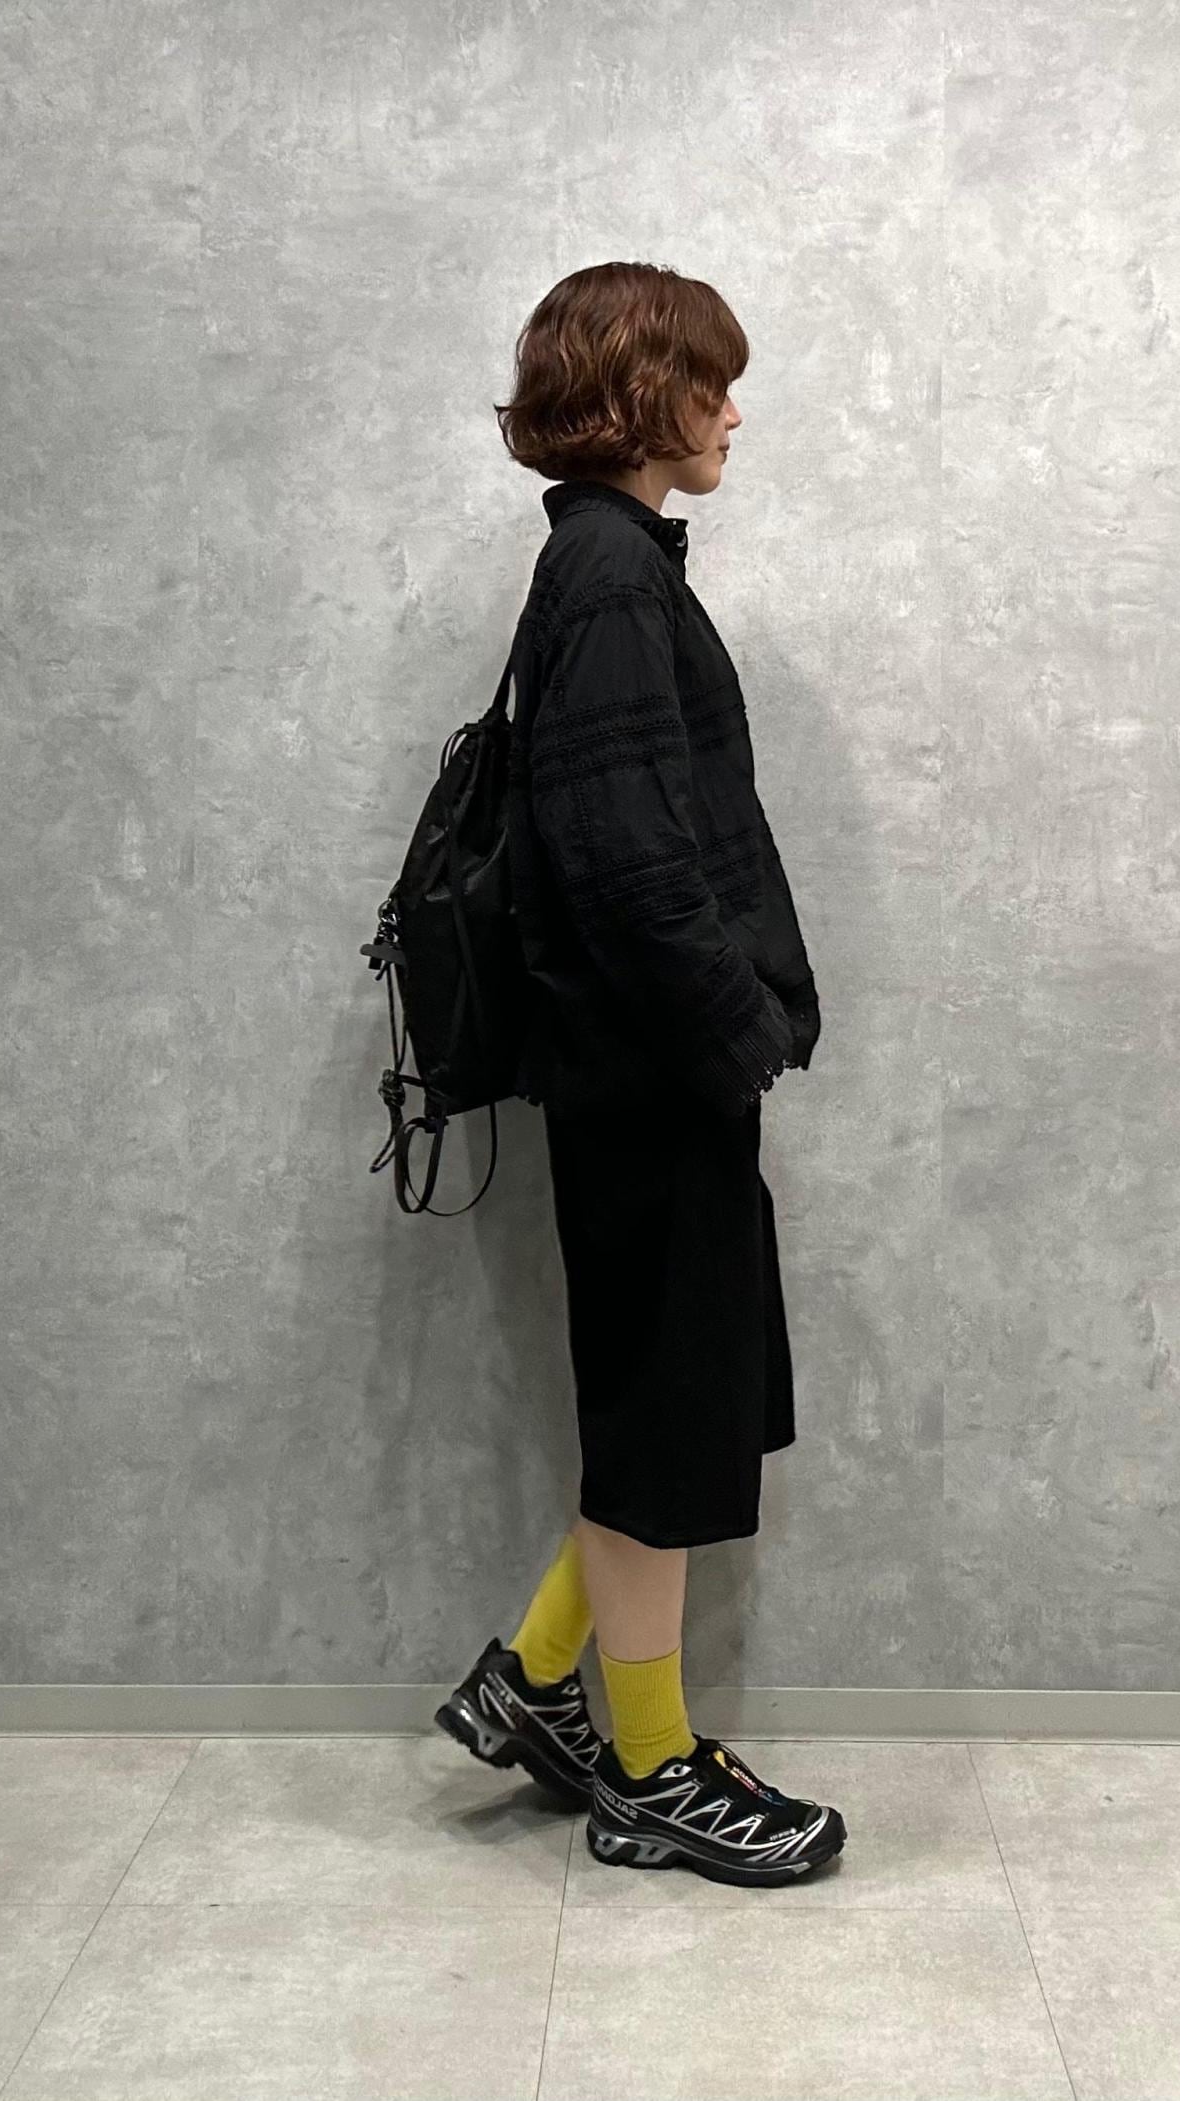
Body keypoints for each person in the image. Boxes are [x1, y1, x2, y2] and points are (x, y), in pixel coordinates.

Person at [434, 261, 847, 1888]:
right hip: (650, 1072)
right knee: (669, 1422)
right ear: (634, 395)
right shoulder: (609, 575)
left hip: (640, 1072)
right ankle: (652, 1769)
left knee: (678, 1403)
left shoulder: (606, 563)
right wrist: (734, 1030)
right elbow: (623, 860)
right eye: (709, 382)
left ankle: (538, 1681)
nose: (734, 410)